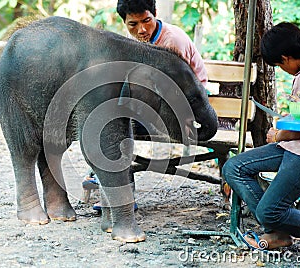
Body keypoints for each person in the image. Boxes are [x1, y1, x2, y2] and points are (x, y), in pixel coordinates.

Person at [83, 0, 208, 210]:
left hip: (186, 111)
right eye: (133, 24)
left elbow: (177, 92)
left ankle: (118, 193)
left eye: (146, 21)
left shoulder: (172, 41)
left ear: (155, 15)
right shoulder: (135, 44)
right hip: (153, 106)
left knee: (117, 126)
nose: (141, 30)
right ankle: (111, 184)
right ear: (124, 22)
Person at [222, 22, 300, 250]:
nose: (282, 69)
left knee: (269, 211)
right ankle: (277, 232)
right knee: (234, 167)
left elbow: (297, 132)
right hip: (299, 147)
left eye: (279, 65)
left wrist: (278, 134)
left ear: (286, 58)